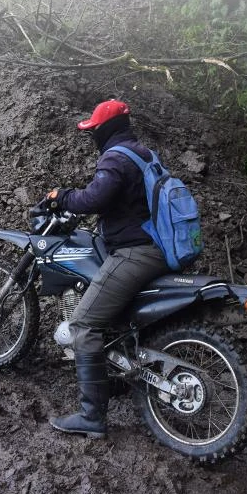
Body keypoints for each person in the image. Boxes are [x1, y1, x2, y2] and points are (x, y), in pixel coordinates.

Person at [45, 99, 170, 438]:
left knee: (84, 322)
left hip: (137, 253)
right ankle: (114, 376)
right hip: (155, 247)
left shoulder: (114, 157)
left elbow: (95, 199)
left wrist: (63, 197)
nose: (91, 137)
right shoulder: (143, 154)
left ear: (104, 130)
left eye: (93, 131)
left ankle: (91, 416)